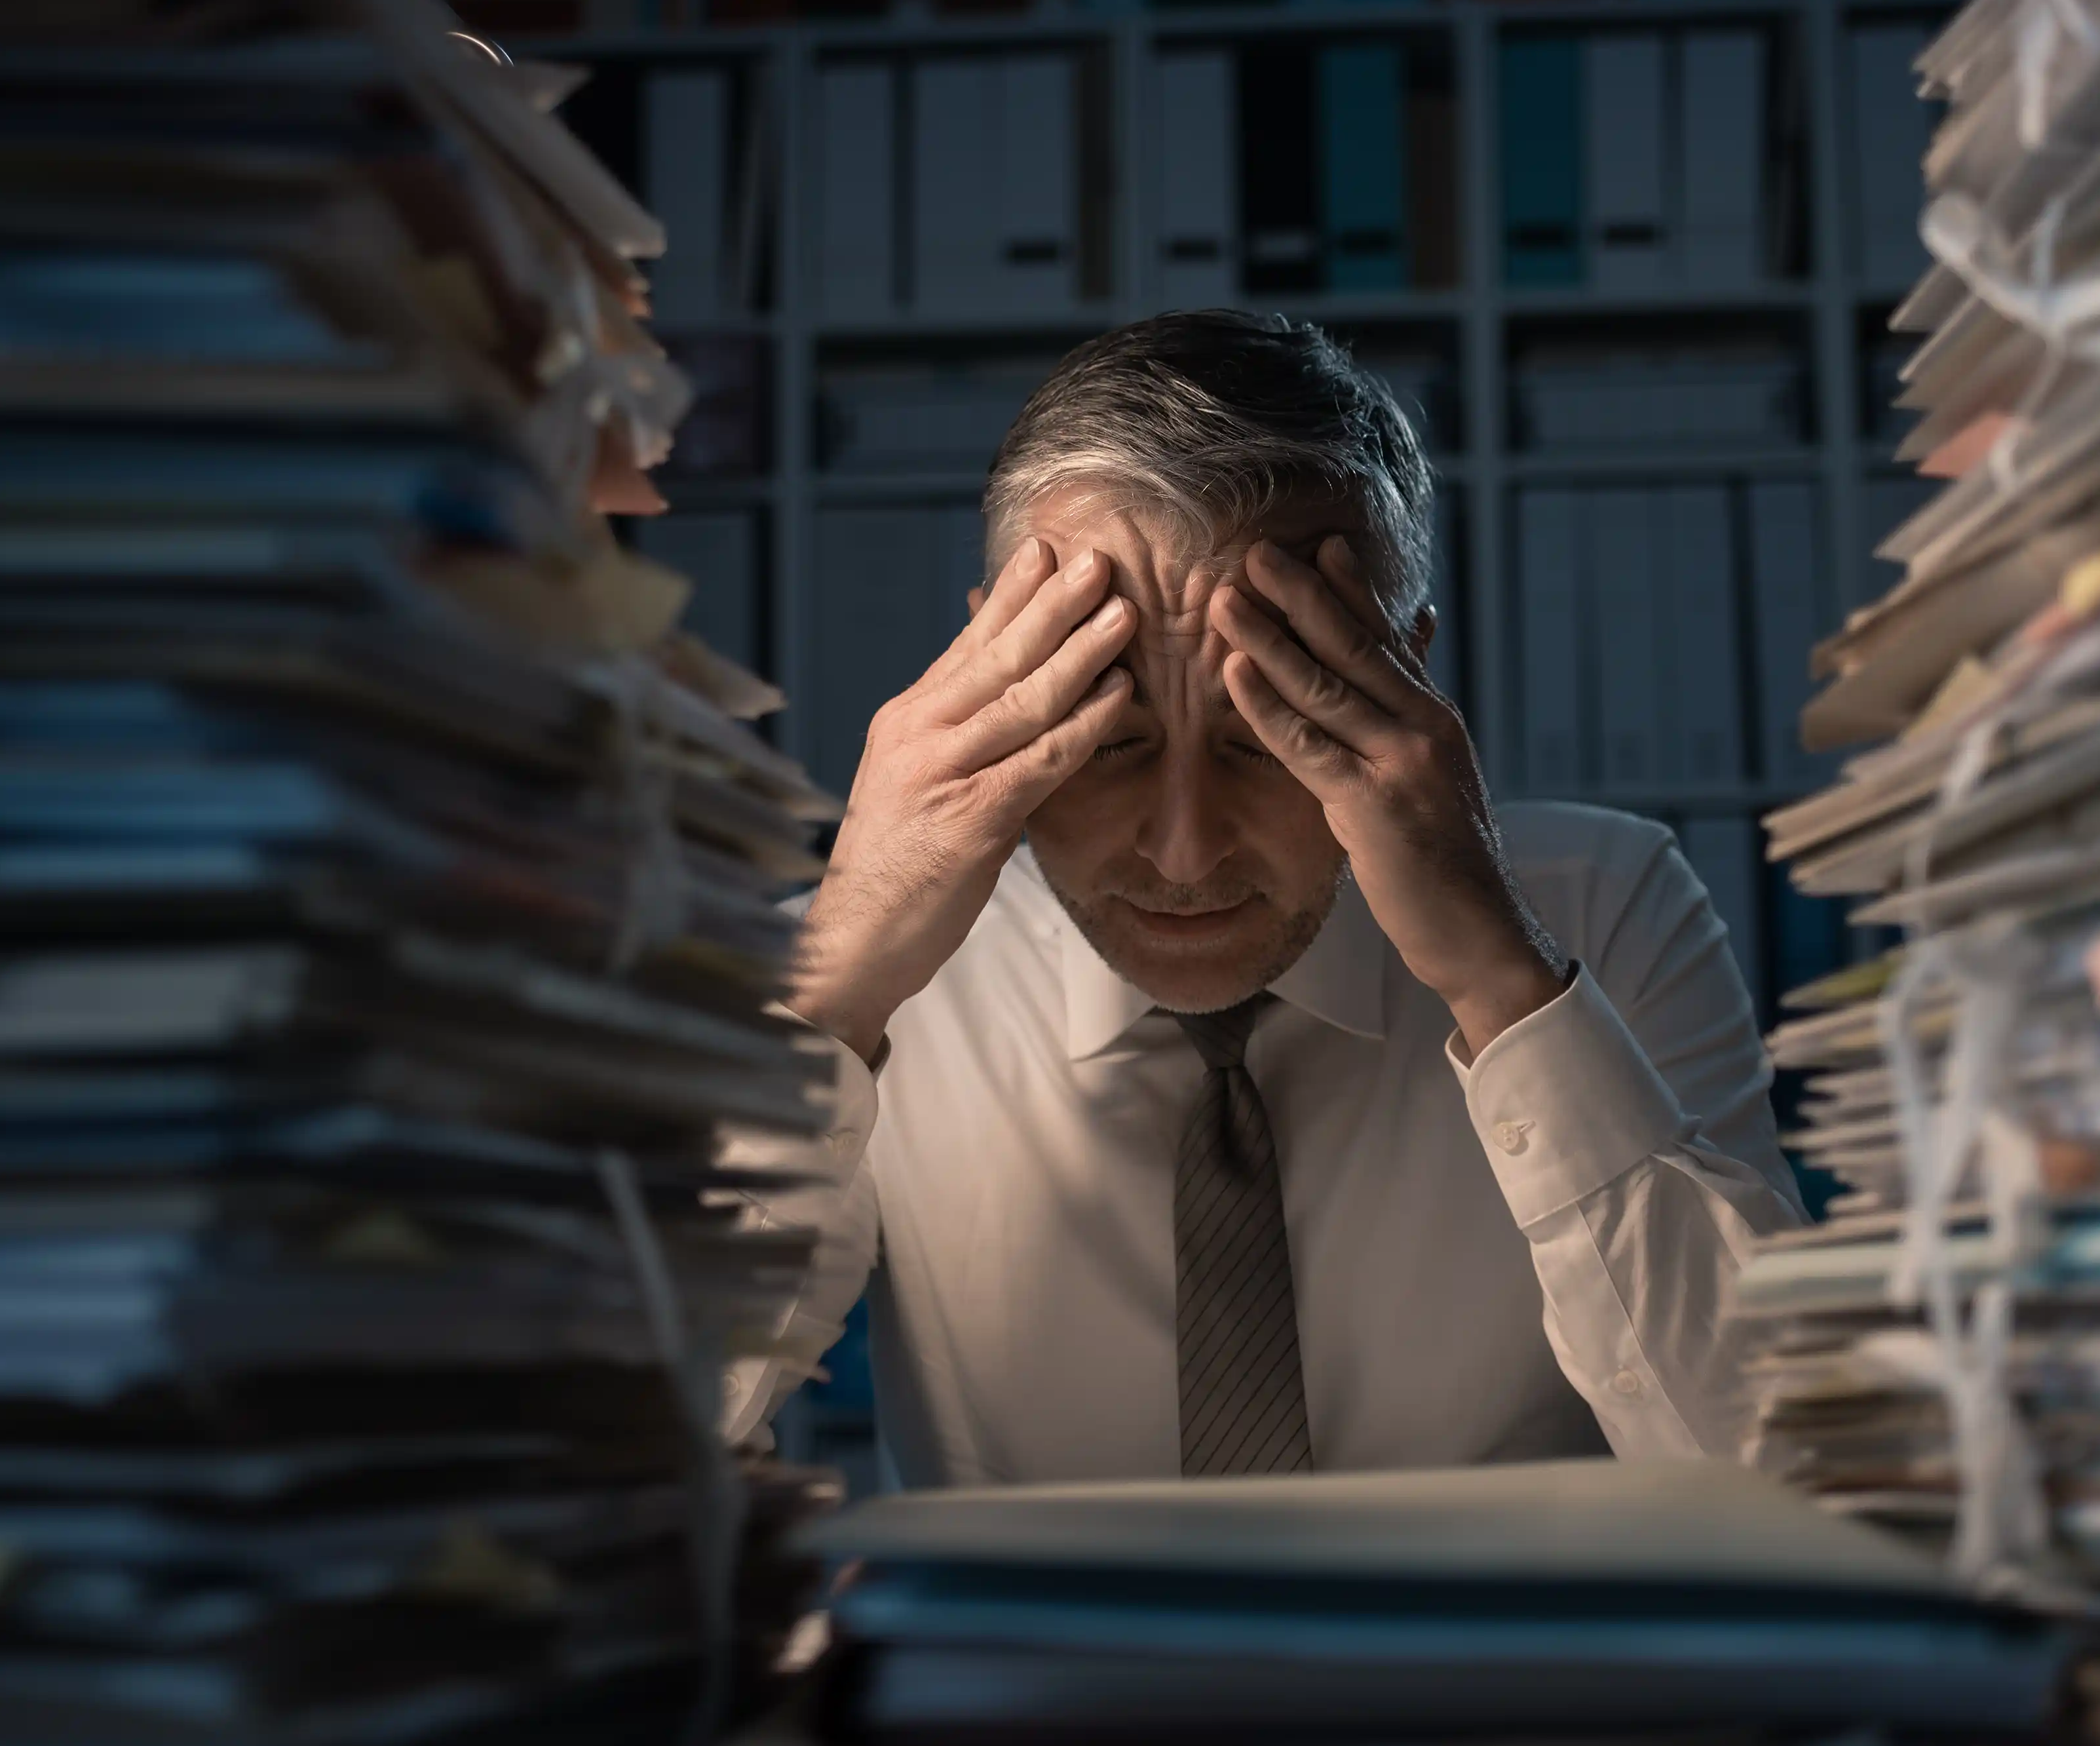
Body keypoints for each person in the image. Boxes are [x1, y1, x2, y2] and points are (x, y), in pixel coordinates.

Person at [721, 311, 1801, 1486]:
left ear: (1403, 681)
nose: (1184, 857)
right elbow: (608, 1468)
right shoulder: (847, 985)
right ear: (997, 679)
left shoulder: (1605, 910)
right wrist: (828, 999)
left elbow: (1789, 1481)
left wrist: (1506, 987)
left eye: (1269, 739)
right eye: (1112, 746)